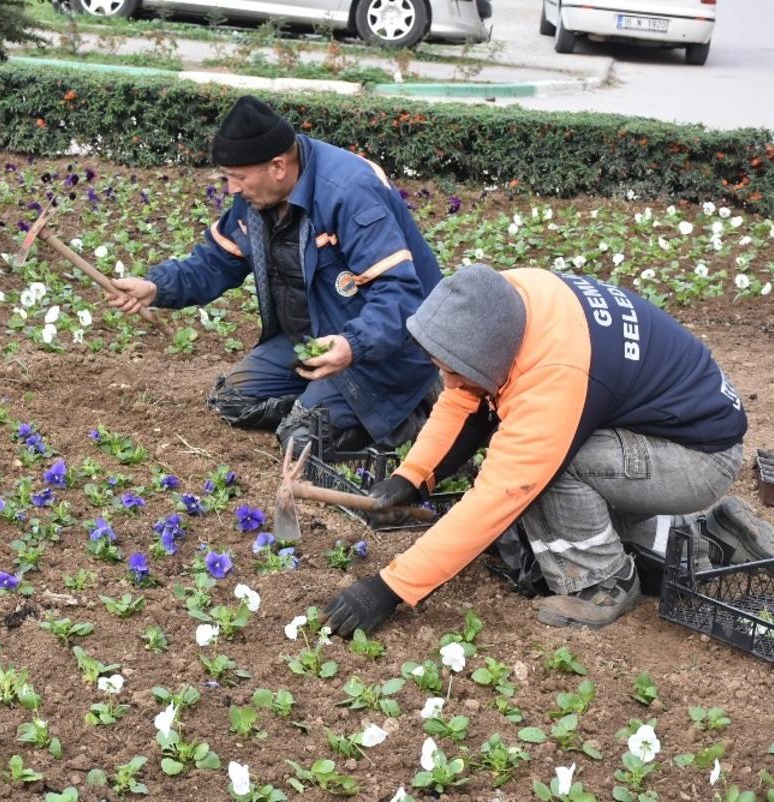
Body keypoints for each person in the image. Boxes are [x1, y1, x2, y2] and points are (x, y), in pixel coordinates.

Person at [324, 264, 774, 633]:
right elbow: (464, 397)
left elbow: (500, 495)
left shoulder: (554, 375)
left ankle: (602, 582)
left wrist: (388, 589)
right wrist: (413, 475)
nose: (449, 382)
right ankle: (715, 539)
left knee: (553, 472)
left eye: (456, 371)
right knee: (566, 479)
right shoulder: (512, 300)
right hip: (667, 436)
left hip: (698, 459)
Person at [108, 95, 442, 456]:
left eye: (237, 177)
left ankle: (413, 411)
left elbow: (402, 296)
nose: (231, 189)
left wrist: (352, 346)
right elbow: (216, 262)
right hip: (314, 337)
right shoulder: (258, 196)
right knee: (232, 400)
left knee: (301, 442)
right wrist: (156, 287)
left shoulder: (349, 192)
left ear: (278, 167)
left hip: (384, 353)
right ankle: (319, 405)